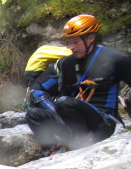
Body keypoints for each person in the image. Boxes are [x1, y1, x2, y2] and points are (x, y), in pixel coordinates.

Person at [25, 14, 131, 154]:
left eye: (75, 42)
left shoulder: (114, 59)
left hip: (104, 122)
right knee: (33, 114)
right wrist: (52, 110)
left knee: (65, 103)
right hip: (72, 122)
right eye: (69, 43)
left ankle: (81, 142)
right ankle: (56, 147)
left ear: (90, 38)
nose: (71, 47)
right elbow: (35, 90)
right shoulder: (66, 64)